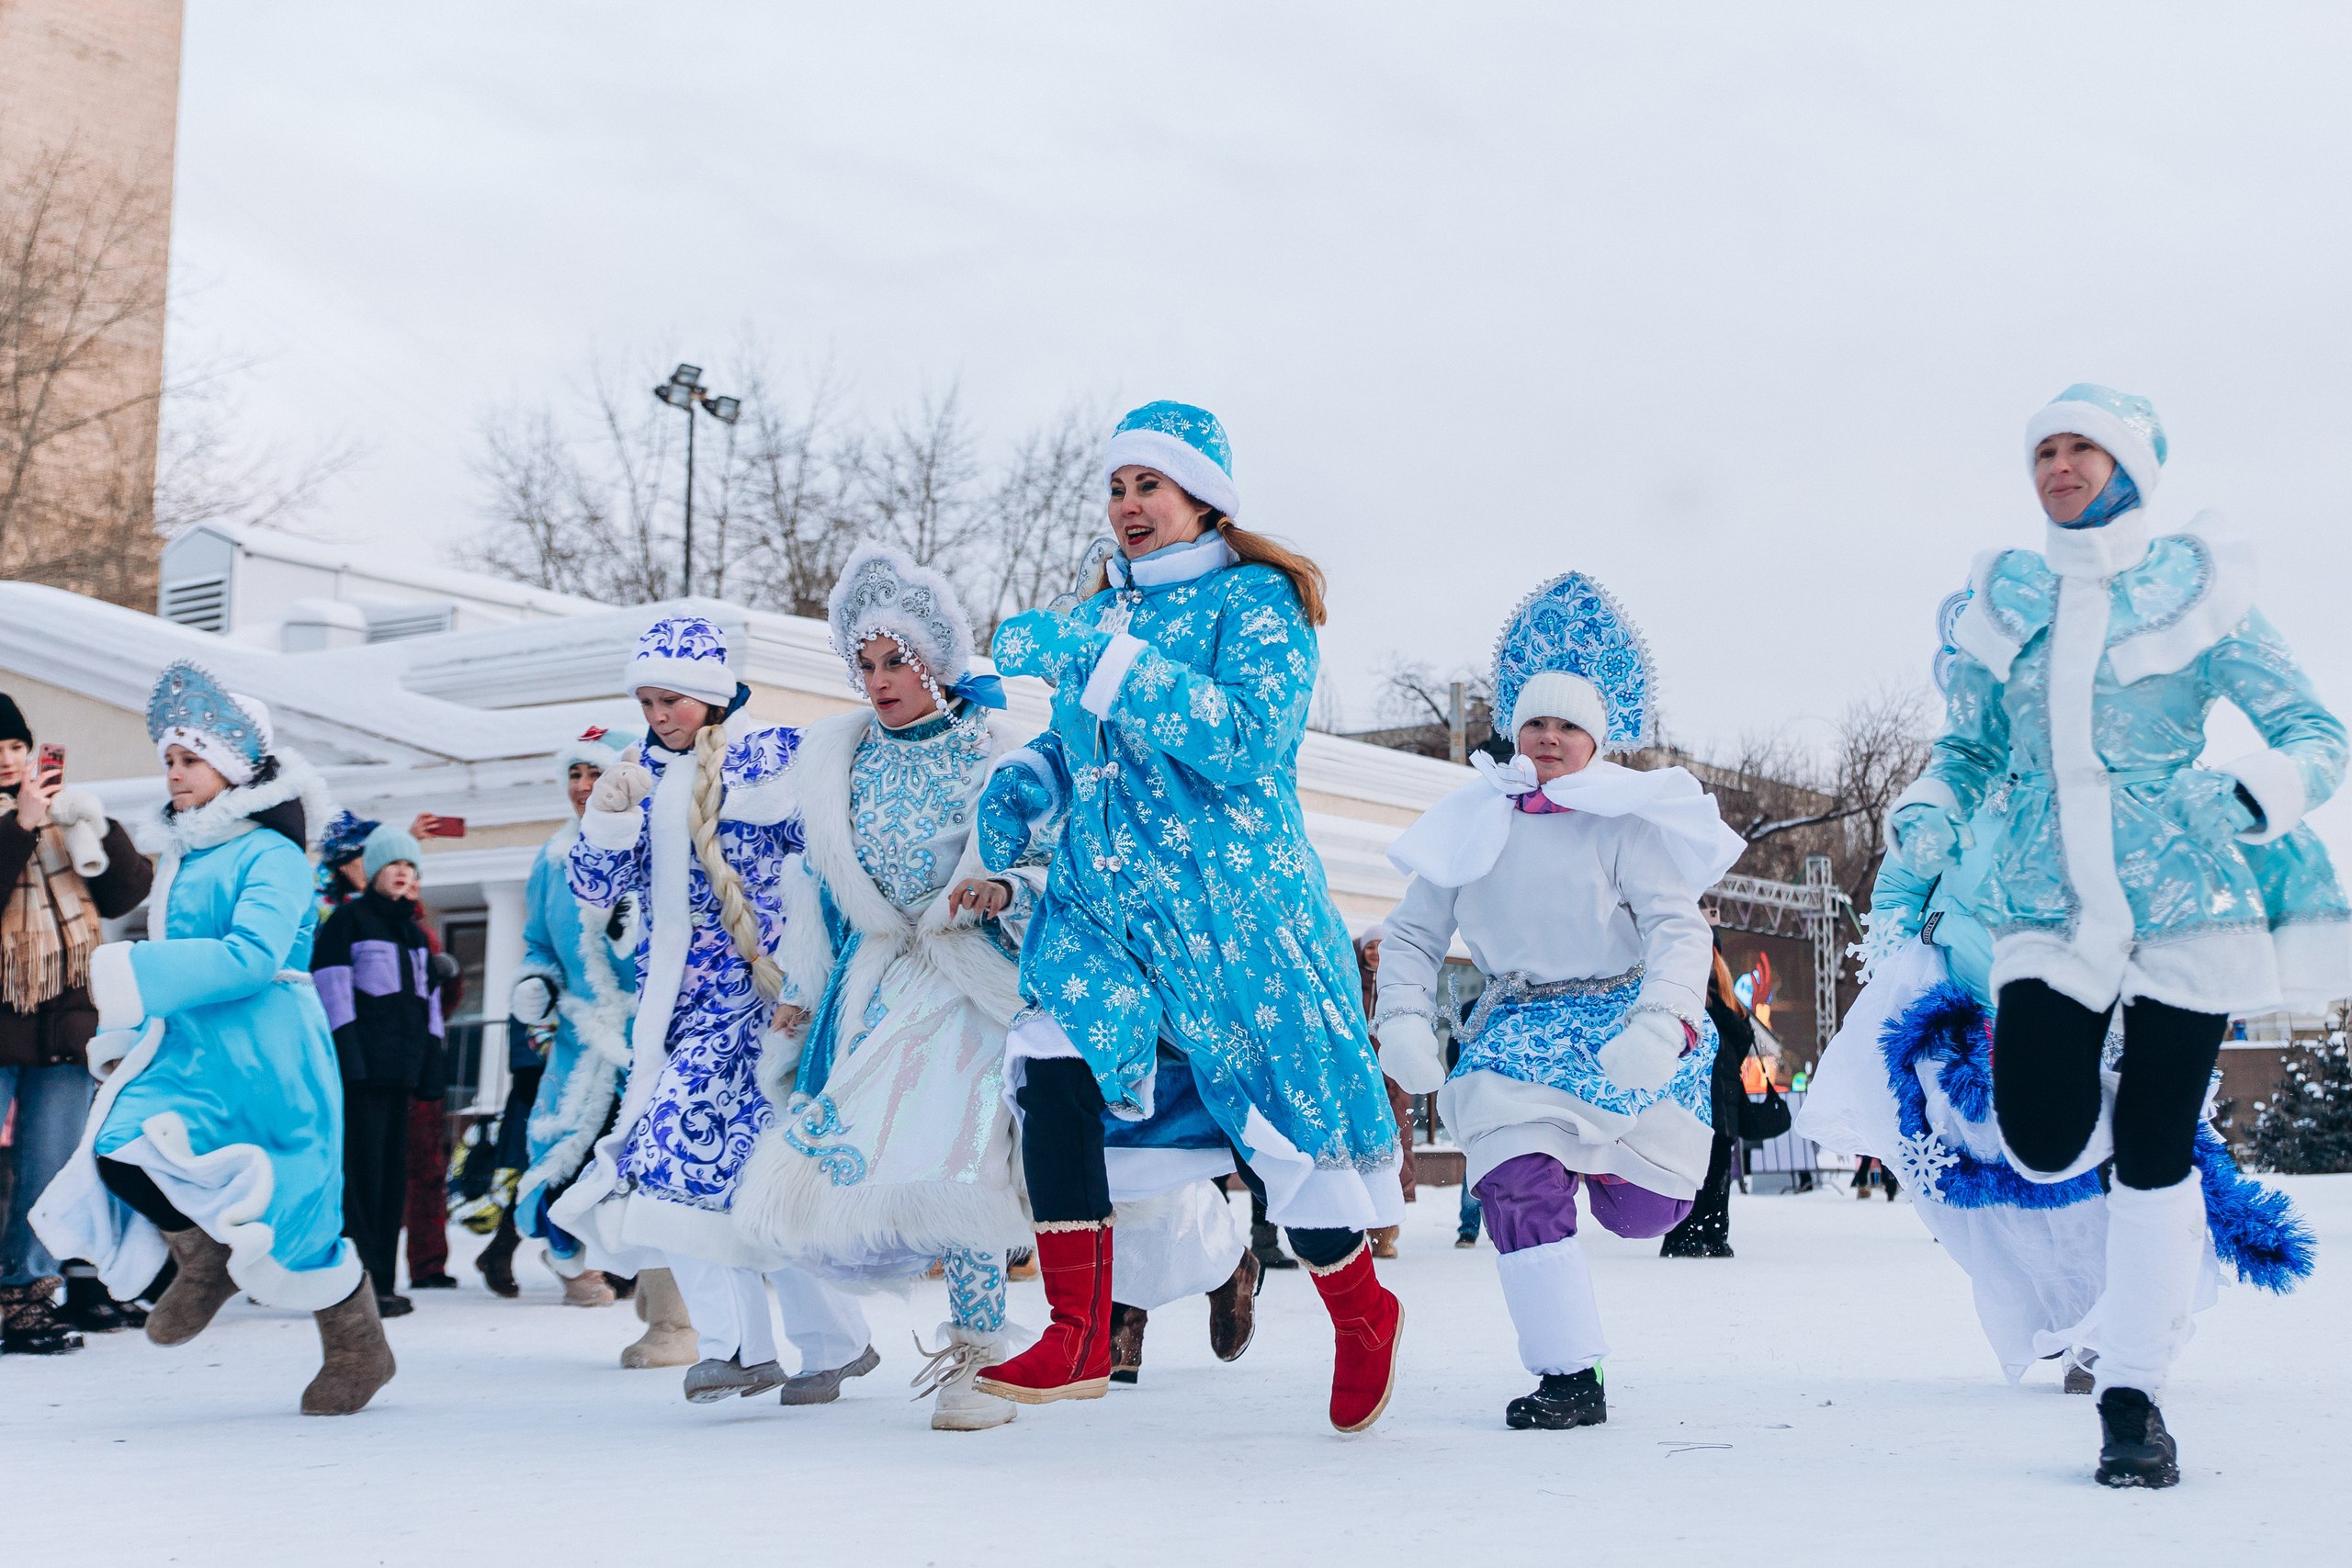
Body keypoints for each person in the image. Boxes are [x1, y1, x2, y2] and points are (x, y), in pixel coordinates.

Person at [1884, 384, 2346, 1488]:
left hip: (2183, 897)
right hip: (2046, 905)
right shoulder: (2010, 601)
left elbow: (2313, 733)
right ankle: (2118, 1161)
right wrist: (1932, 805)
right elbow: (1969, 747)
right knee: (2039, 1135)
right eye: (2043, 449)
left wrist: (2248, 797)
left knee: (2152, 1147)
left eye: (2080, 447)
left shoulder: (2195, 587)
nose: (2058, 465)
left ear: (2128, 466)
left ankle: (2133, 1395)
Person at [1806, 547, 2317, 1422]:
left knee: (2120, 1175)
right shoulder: (1953, 792)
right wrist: (1906, 977)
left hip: (2087, 1012)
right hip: (1968, 1022)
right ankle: (2063, 1315)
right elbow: (1899, 890)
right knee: (2011, 1192)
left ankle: (2118, 1334)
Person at [975, 400, 1406, 1433]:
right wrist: (1025, 782)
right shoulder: (1102, 615)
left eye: (1147, 485)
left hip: (1229, 910)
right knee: (1048, 1055)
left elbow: (1247, 741)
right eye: (1116, 487)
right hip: (1107, 907)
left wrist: (1098, 661)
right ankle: (1075, 1328)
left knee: (1279, 1134)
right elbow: (1090, 754)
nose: (1127, 505)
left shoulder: (1255, 600)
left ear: (1202, 497)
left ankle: (1359, 1310)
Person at [1375, 571, 1747, 1431]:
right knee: (1513, 1181)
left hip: (1622, 1022)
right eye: (1535, 721)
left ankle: (1594, 1161)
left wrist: (1666, 1021)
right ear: (1513, 726)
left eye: (1567, 724)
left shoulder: (1626, 821)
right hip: (1519, 1034)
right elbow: (1413, 933)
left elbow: (1678, 931)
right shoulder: (1472, 816)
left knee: (1649, 1209)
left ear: (1596, 737)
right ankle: (1569, 1374)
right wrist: (1400, 1016)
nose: (1547, 737)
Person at [731, 545, 1043, 1431]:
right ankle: (976, 1347)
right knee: (885, 1164)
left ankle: (982, 1357)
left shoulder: (997, 752)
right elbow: (826, 893)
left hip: (979, 980)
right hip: (883, 988)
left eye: (894, 661)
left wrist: (1006, 890)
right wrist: (801, 988)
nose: (877, 681)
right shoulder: (843, 764)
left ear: (936, 658)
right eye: (863, 665)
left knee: (969, 1158)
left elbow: (1062, 865)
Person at [31, 660, 395, 1416]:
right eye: (168, 759)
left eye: (190, 759)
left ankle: (358, 1344)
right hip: (190, 1044)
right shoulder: (188, 852)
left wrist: (129, 971)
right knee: (119, 1144)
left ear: (233, 766)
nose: (174, 772)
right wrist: (126, 1029)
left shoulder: (271, 855)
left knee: (294, 1204)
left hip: (268, 1050)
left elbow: (253, 958)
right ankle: (199, 1259)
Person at [552, 616, 875, 1407]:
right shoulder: (639, 776)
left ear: (710, 696)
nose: (657, 714)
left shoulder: (775, 758)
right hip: (680, 1015)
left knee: (745, 1175)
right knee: (697, 1176)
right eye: (646, 699)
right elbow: (593, 891)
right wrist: (606, 816)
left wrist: (811, 982)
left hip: (767, 1002)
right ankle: (753, 1347)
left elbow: (829, 860)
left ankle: (811, 1344)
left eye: (671, 699)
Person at [506, 727, 674, 1332]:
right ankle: (578, 1266)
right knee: (560, 1148)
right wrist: (537, 981)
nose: (582, 787)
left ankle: (663, 1287)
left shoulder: (659, 842)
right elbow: (537, 941)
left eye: (593, 774)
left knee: (648, 1159)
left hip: (655, 1030)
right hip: (582, 1035)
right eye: (573, 775)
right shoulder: (551, 857)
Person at [1, 694, 154, 1352]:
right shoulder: (24, 824)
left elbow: (126, 892)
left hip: (64, 1024)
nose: (9, 759)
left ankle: (24, 1300)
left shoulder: (66, 820)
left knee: (49, 1168)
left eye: (16, 746)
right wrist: (19, 828)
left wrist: (96, 824)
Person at [311, 823, 446, 1318]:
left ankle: (384, 1281)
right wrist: (350, 1056)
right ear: (372, 872)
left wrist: (431, 1064)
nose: (403, 873)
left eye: (410, 866)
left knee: (392, 1182)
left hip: (401, 1076)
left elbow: (429, 1004)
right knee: (361, 1179)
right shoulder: (349, 922)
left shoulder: (414, 934)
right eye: (393, 864)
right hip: (362, 1075)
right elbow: (332, 990)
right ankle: (358, 1282)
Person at [1660, 945, 1753, 1258]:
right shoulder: (1682, 995)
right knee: (1689, 1167)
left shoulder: (1728, 1006)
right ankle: (1683, 1233)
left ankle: (1713, 1234)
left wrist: (1716, 1006)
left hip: (1722, 1099)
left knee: (1718, 1171)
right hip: (1693, 1096)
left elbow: (1743, 1039)